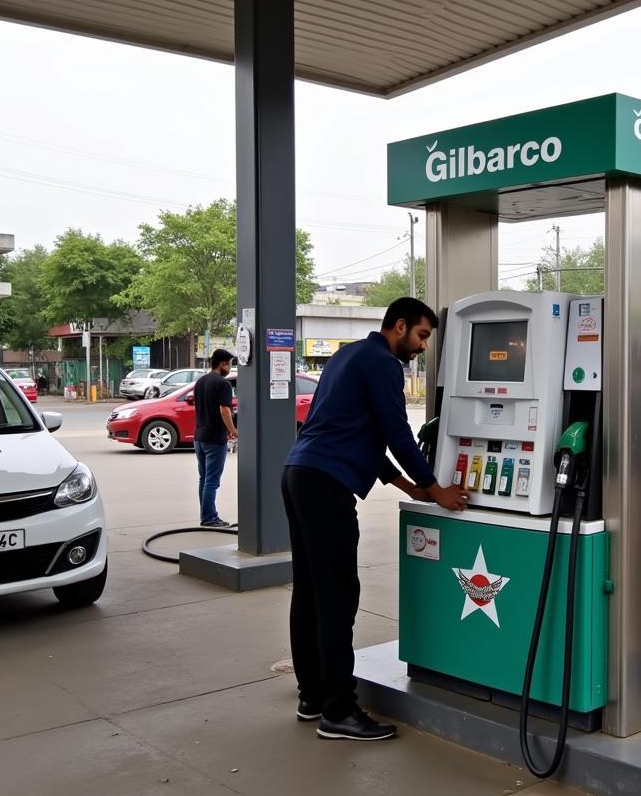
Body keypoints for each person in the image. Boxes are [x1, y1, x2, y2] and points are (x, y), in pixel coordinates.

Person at [282, 297, 469, 742]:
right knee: (338, 597)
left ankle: (312, 696)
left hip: (299, 474)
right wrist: (436, 486)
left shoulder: (347, 355)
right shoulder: (384, 364)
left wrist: (409, 486)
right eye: (422, 335)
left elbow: (359, 433)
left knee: (309, 590)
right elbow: (395, 431)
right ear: (399, 326)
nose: (423, 346)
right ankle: (339, 711)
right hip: (326, 485)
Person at [194, 349, 237, 528]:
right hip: (215, 438)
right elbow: (225, 410)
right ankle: (209, 517)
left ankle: (205, 515)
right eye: (230, 364)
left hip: (199, 437)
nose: (230, 367)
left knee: (204, 478)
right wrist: (234, 431)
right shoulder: (223, 384)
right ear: (222, 364)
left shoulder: (201, 381)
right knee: (212, 480)